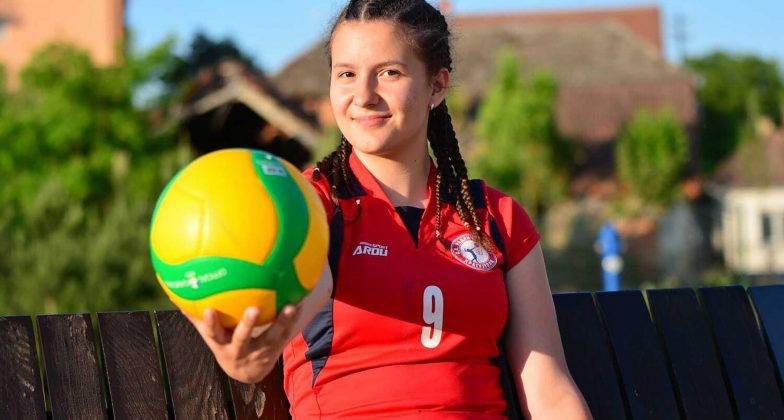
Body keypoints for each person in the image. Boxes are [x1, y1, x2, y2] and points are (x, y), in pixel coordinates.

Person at [185, 0, 591, 418]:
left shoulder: (497, 217)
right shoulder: (308, 203)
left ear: (437, 86)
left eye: (389, 73)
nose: (363, 96)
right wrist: (256, 350)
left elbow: (548, 387)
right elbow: (307, 290)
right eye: (346, 74)